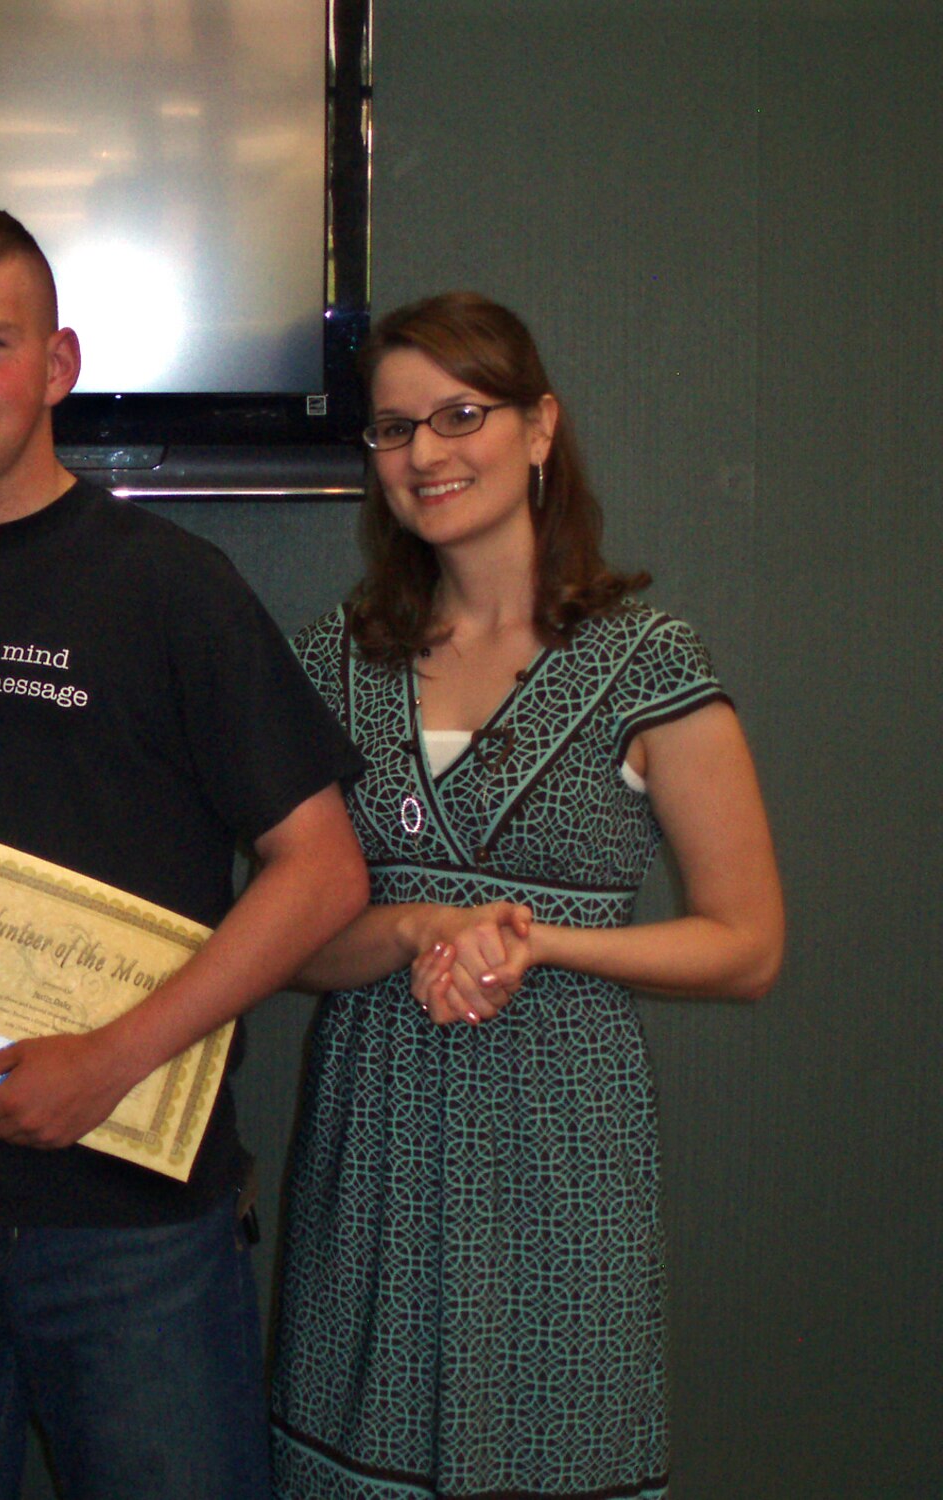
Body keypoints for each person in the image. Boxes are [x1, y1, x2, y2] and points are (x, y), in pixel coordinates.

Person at [0, 205, 370, 1500]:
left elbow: (324, 870)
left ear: (59, 363)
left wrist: (112, 1059)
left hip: (132, 1227)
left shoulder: (172, 589)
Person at [270, 291, 785, 1499]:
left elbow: (746, 945)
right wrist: (408, 926)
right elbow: (289, 943)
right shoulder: (331, 663)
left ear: (538, 427)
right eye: (392, 430)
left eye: (460, 413)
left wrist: (542, 945)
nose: (424, 454)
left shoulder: (645, 661)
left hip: (559, 1144)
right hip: (374, 1141)